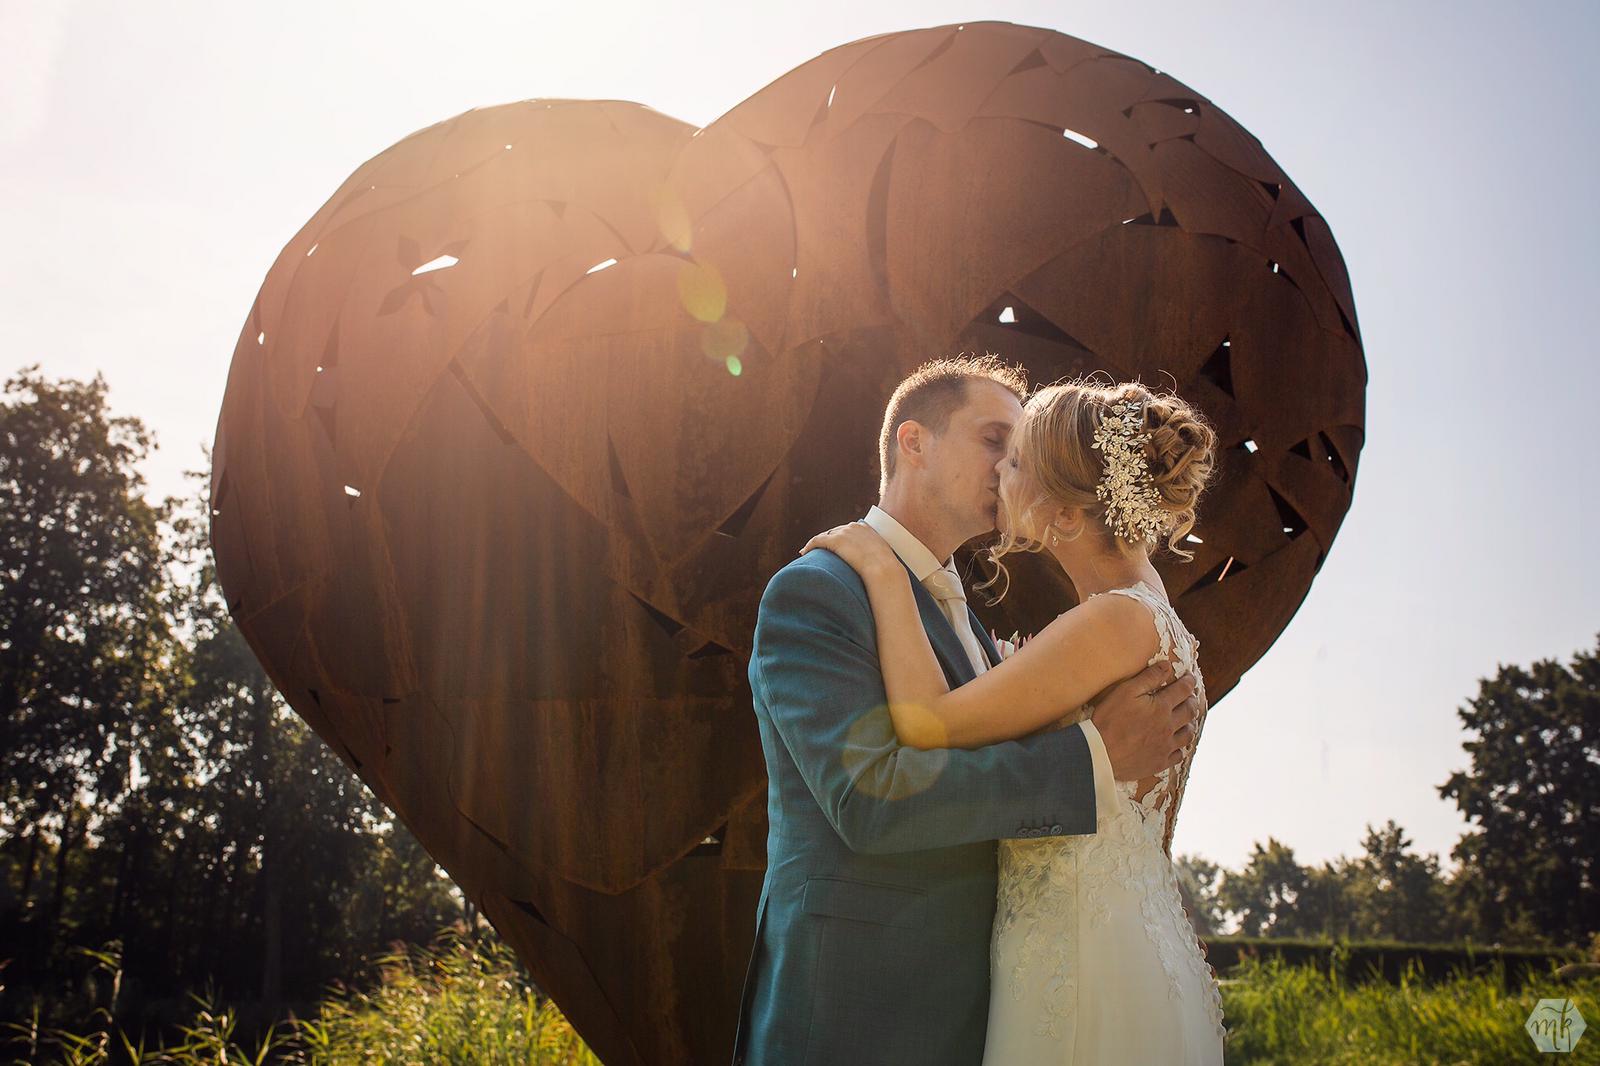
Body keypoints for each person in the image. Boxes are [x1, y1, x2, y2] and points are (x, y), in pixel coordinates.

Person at [729, 354, 1202, 1066]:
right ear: (912, 441)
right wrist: (1089, 760)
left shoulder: (983, 626)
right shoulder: (819, 590)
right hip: (857, 1017)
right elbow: (871, 796)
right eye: (994, 442)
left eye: (1020, 452)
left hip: (1003, 1007)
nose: (1010, 467)